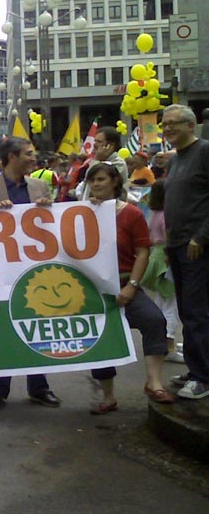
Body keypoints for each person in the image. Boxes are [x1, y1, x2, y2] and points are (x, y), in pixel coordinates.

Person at [0, 136, 61, 409]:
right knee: (3, 328)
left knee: (36, 327)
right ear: (12, 157)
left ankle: (39, 387)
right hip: (0, 270)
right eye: (29, 154)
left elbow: (53, 225)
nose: (34, 158)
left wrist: (48, 209)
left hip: (34, 269)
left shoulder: (39, 186)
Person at [83, 162, 174, 414]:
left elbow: (142, 251)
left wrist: (132, 286)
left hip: (125, 283)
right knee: (100, 337)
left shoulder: (131, 214)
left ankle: (154, 383)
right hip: (95, 290)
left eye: (101, 179)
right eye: (92, 180)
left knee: (154, 321)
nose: (96, 184)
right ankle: (108, 396)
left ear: (114, 181)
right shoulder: (80, 213)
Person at [161, 105, 209, 399]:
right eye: (164, 124)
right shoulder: (175, 160)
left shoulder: (204, 151)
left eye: (173, 123)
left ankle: (203, 378)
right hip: (177, 246)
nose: (167, 129)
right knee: (186, 311)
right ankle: (196, 369)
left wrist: (201, 236)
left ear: (191, 125)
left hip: (197, 246)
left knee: (196, 312)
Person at [143, 179, 183, 363]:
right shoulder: (167, 215)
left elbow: (152, 238)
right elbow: (169, 239)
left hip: (156, 256)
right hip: (166, 258)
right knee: (171, 304)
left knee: (162, 301)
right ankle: (169, 345)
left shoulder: (154, 214)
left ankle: (161, 341)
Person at [79, 126, 128, 200]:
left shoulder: (119, 163)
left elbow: (92, 175)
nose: (94, 144)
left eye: (99, 142)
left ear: (110, 146)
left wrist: (97, 160)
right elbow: (87, 181)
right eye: (95, 141)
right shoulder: (96, 160)